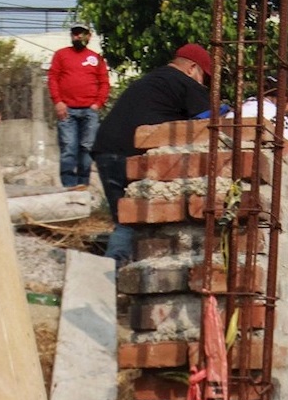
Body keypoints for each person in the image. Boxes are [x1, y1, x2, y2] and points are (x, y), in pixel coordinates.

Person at [91, 44, 213, 263]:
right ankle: (113, 278)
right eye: (205, 77)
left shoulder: (152, 81)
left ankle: (113, 277)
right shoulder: (185, 83)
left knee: (124, 219)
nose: (204, 84)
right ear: (192, 68)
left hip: (105, 150)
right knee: (132, 221)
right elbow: (209, 122)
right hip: (130, 155)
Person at [48, 23, 109, 188]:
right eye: (75, 34)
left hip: (90, 110)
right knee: (69, 147)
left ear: (89, 36)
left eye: (81, 34)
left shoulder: (96, 58)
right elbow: (53, 78)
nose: (78, 37)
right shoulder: (61, 55)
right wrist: (58, 102)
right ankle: (68, 185)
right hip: (67, 110)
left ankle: (83, 184)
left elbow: (104, 83)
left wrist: (98, 104)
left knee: (87, 148)